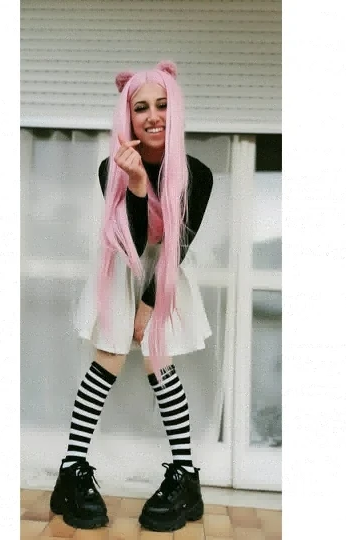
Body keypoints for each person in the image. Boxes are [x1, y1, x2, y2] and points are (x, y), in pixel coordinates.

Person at [49, 60, 214, 533]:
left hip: (165, 272)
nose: (153, 116)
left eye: (162, 105)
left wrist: (149, 306)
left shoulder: (197, 174)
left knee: (159, 364)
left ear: (175, 109)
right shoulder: (112, 168)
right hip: (124, 264)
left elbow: (176, 248)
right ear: (128, 115)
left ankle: (185, 477)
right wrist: (138, 184)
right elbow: (134, 243)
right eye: (141, 108)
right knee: (107, 361)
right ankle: (71, 471)